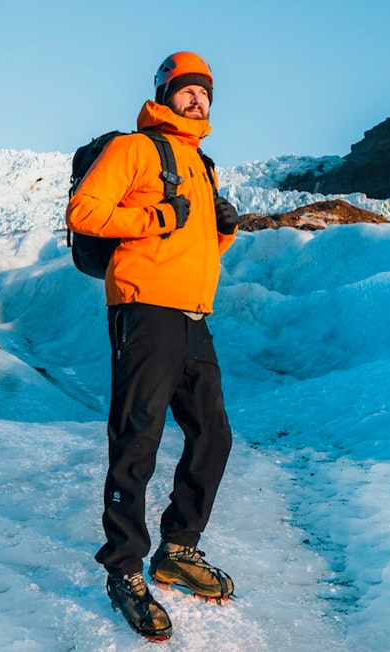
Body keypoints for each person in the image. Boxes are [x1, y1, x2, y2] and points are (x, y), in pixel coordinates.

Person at [65, 51, 241, 641]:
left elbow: (194, 251)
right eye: (185, 90)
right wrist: (160, 213)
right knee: (137, 438)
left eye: (204, 92)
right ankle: (123, 570)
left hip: (194, 315)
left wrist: (222, 230)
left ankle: (177, 550)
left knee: (213, 434)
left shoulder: (203, 163)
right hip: (144, 311)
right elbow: (84, 212)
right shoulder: (134, 150)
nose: (196, 99)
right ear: (164, 93)